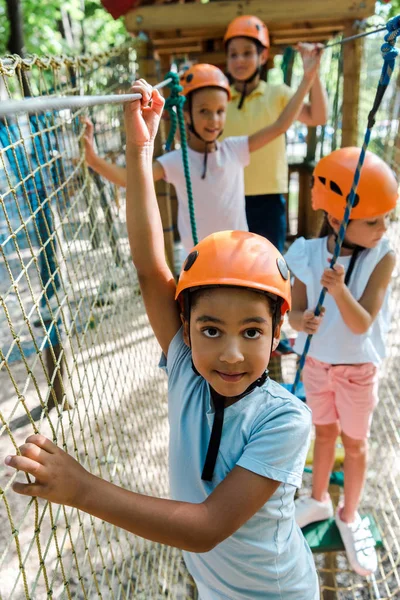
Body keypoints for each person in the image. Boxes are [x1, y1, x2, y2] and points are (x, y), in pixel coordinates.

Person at [5, 79, 319, 600]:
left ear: (277, 331)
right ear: (186, 326)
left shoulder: (284, 419)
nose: (231, 352)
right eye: (210, 329)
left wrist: (82, 489)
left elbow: (205, 527)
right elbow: (152, 270)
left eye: (252, 331)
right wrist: (140, 147)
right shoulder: (186, 369)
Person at [83, 54, 322, 259]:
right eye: (204, 111)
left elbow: (280, 126)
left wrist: (308, 78)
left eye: (220, 112)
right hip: (200, 260)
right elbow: (130, 178)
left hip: (240, 254)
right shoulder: (177, 161)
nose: (214, 120)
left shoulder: (234, 150)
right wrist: (94, 160)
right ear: (186, 114)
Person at [284, 147, 398, 576]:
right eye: (373, 220)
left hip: (356, 371)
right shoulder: (304, 254)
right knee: (323, 433)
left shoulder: (382, 256)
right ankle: (317, 501)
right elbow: (291, 315)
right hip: (315, 365)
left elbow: (362, 322)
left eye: (387, 217)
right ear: (336, 219)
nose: (384, 228)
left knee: (354, 444)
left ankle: (349, 517)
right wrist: (302, 319)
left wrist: (338, 291)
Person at [222, 15, 328, 251]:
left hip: (268, 199)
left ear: (263, 56)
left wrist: (313, 74)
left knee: (269, 267)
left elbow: (318, 116)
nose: (239, 59)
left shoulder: (277, 93)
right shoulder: (219, 98)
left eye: (247, 53)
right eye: (233, 54)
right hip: (226, 196)